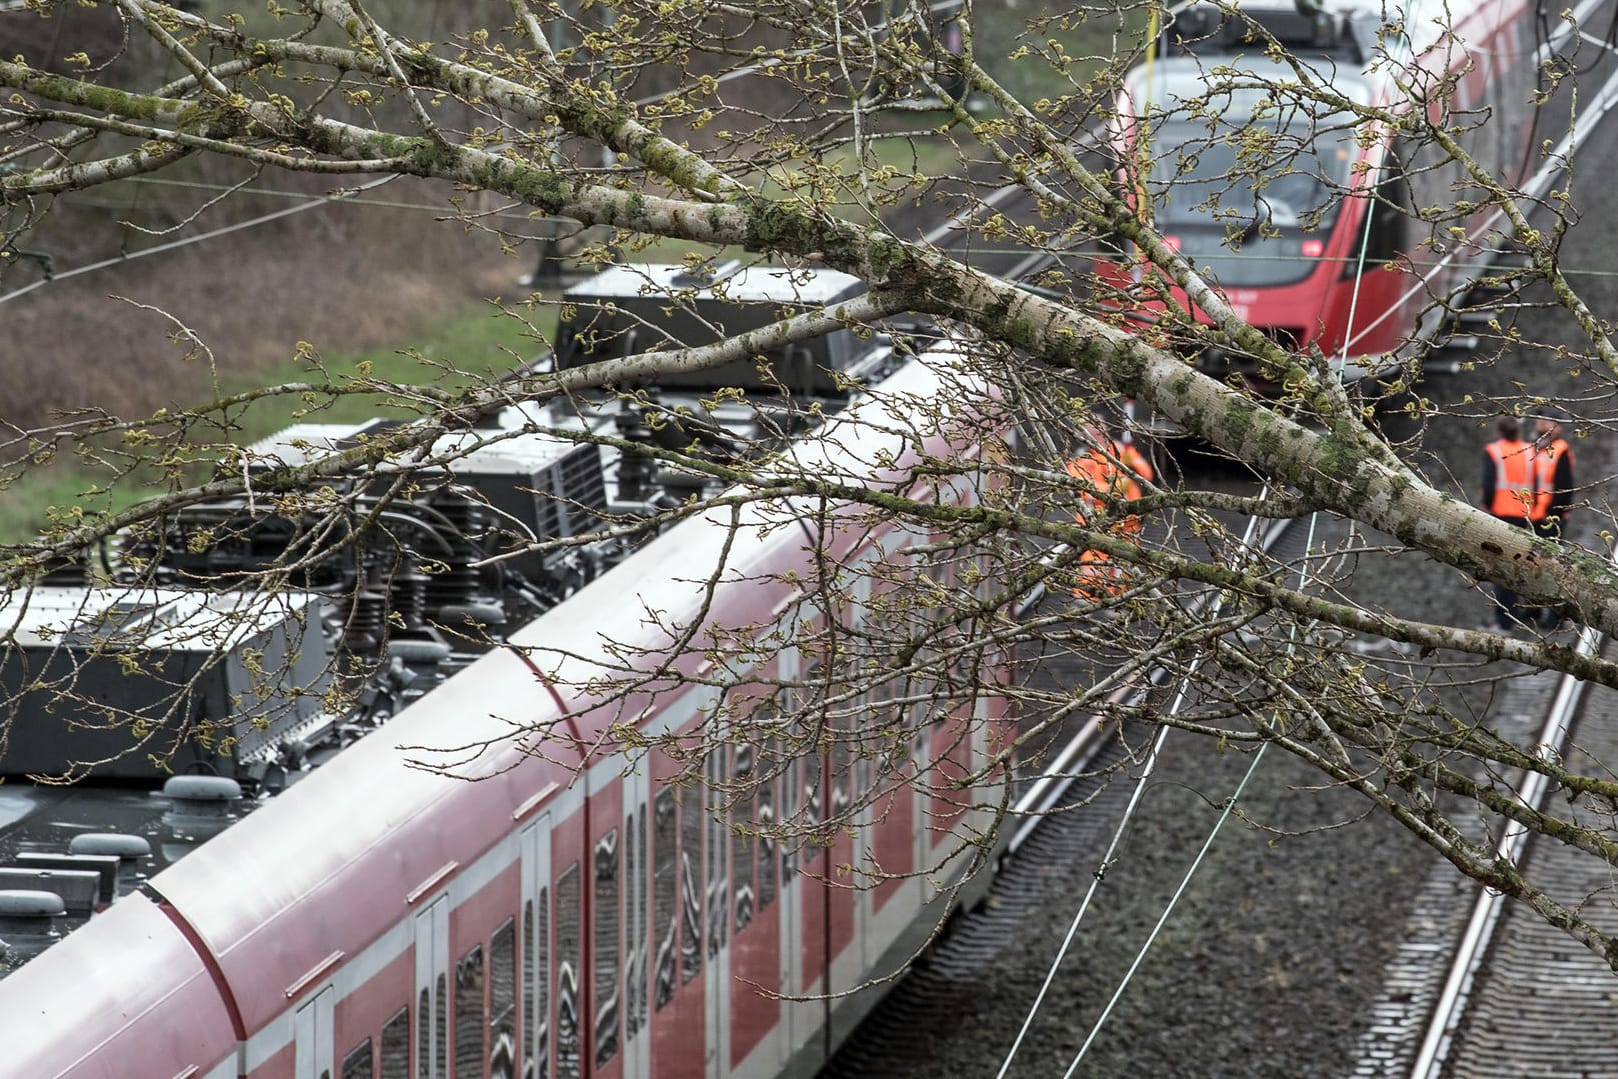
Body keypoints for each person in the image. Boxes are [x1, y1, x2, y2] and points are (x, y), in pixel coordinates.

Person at [1068, 416, 1150, 601]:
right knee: (1094, 561)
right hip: (1096, 523)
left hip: (1126, 520)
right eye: (1091, 431)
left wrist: (1132, 463)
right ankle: (1085, 600)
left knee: (1126, 563)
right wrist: (1115, 490)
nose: (1096, 435)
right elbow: (1084, 489)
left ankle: (1122, 601)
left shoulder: (1119, 451)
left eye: (1099, 430)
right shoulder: (1082, 458)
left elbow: (1146, 474)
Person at [1479, 415, 1537, 630]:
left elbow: (1489, 483)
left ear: (1499, 432)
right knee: (1522, 563)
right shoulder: (1530, 450)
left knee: (1501, 568)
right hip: (1526, 514)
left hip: (1501, 515)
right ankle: (1526, 612)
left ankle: (1505, 622)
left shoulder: (1494, 451)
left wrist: (1487, 507)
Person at [1531, 407, 1576, 541]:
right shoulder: (1532, 448)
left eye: (1548, 419)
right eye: (1540, 418)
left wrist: (1553, 514)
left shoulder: (1560, 449)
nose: (1542, 421)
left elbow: (1565, 487)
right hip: (1531, 515)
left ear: (1558, 427)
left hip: (1549, 518)